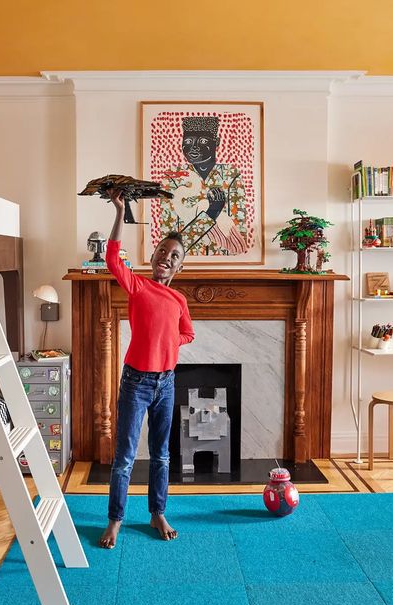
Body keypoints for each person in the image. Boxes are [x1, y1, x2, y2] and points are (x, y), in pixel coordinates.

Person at [99, 189, 195, 549]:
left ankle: (157, 512)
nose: (166, 258)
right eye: (161, 252)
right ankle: (115, 519)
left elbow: (188, 332)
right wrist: (120, 212)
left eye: (174, 256)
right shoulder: (137, 286)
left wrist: (172, 341)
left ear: (179, 265)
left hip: (166, 384)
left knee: (161, 453)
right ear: (152, 256)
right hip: (136, 383)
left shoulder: (180, 300)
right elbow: (112, 259)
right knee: (124, 457)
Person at [159, 115, 248, 256]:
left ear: (216, 142)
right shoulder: (173, 178)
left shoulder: (231, 175)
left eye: (203, 141)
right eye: (188, 141)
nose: (194, 147)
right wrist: (212, 212)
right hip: (180, 264)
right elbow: (167, 242)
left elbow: (240, 244)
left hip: (226, 263)